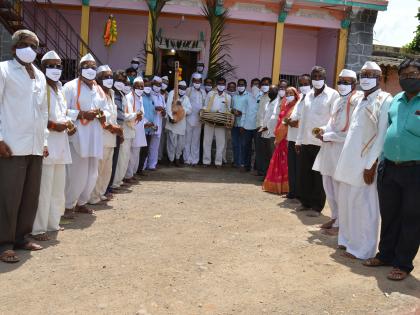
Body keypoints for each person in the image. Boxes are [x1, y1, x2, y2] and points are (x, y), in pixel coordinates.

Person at [363, 58, 420, 280]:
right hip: (390, 168)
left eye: (414, 74)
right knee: (389, 214)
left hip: (416, 171)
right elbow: (386, 130)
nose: (409, 79)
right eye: (404, 75)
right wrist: (379, 161)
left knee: (412, 217)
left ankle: (403, 264)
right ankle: (385, 255)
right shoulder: (396, 100)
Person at [334, 61, 392, 260]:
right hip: (349, 160)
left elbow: (382, 134)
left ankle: (363, 249)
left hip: (365, 163)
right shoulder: (360, 99)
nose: (366, 79)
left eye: (371, 75)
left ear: (380, 79)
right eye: (363, 75)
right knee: (346, 202)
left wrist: (371, 164)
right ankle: (347, 241)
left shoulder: (385, 100)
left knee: (364, 207)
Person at [0, 30, 47, 262]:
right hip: (11, 145)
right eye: (26, 44)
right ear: (14, 47)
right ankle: (4, 243)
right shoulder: (3, 70)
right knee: (9, 195)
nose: (30, 49)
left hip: (35, 145)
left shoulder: (39, 75)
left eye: (34, 46)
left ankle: (22, 237)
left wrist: (44, 140)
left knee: (30, 195)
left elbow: (43, 111)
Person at [31, 51, 75, 241]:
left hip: (62, 143)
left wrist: (68, 123)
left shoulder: (59, 88)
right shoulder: (39, 86)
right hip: (47, 143)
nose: (56, 69)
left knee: (58, 187)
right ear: (43, 67)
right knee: (44, 189)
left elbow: (62, 113)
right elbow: (37, 114)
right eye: (51, 65)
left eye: (58, 66)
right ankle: (38, 228)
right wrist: (52, 125)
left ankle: (52, 223)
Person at [312, 69, 359, 236]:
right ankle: (335, 216)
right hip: (329, 150)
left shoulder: (356, 102)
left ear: (354, 84)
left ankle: (341, 224)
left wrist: (329, 136)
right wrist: (323, 130)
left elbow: (351, 132)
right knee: (328, 185)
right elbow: (332, 123)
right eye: (340, 81)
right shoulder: (339, 100)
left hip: (341, 151)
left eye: (346, 82)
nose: (342, 85)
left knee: (340, 189)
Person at [63, 53, 106, 217]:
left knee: (92, 173)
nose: (90, 70)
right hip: (78, 136)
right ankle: (68, 206)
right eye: (87, 66)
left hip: (95, 135)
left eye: (93, 67)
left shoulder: (98, 89)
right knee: (77, 172)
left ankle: (82, 203)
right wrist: (81, 114)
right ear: (80, 69)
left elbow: (105, 109)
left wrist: (102, 115)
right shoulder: (70, 87)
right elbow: (62, 110)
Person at [295, 66, 339, 217]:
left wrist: (324, 132)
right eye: (315, 77)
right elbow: (303, 120)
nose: (317, 80)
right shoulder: (308, 95)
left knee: (319, 176)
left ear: (325, 78)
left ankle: (316, 206)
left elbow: (334, 119)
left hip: (322, 142)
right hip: (306, 140)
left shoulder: (333, 95)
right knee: (304, 174)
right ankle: (305, 202)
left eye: (320, 77)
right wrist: (298, 141)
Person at [89, 65, 122, 204]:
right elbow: (99, 114)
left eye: (110, 76)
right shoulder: (96, 92)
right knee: (98, 168)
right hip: (102, 135)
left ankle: (101, 193)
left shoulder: (112, 93)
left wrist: (117, 130)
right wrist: (112, 127)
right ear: (98, 78)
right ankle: (92, 196)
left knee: (107, 169)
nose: (109, 79)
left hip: (111, 136)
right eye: (105, 77)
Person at [263, 87, 299, 194]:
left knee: (287, 163)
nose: (288, 95)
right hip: (281, 137)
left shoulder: (297, 106)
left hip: (290, 138)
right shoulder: (284, 105)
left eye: (291, 93)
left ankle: (288, 187)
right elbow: (279, 120)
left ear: (296, 94)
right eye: (287, 93)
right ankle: (277, 186)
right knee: (279, 161)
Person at [112, 71, 141, 187]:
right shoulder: (114, 94)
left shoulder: (122, 95)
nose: (123, 84)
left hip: (128, 130)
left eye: (124, 82)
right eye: (119, 81)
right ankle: (114, 183)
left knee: (124, 158)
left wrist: (134, 116)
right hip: (121, 130)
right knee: (120, 158)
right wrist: (134, 115)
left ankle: (118, 181)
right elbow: (121, 115)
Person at [284, 74, 311, 200]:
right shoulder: (300, 98)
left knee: (300, 168)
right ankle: (293, 191)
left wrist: (295, 122)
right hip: (292, 137)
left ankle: (300, 193)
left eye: (306, 84)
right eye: (301, 84)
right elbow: (295, 115)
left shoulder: (311, 98)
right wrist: (289, 121)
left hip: (302, 139)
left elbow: (308, 119)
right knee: (292, 166)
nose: (303, 86)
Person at [203, 77, 232, 167]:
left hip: (221, 123)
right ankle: (206, 162)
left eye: (223, 84)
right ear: (216, 84)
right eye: (219, 84)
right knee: (207, 141)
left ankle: (218, 162)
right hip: (209, 121)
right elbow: (205, 105)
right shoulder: (211, 94)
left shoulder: (228, 97)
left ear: (225, 85)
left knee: (221, 142)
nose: (221, 85)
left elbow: (228, 109)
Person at [166, 80, 192, 166]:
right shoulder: (172, 93)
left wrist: (181, 109)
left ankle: (177, 158)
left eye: (184, 88)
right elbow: (168, 106)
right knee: (171, 142)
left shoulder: (186, 98)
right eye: (180, 88)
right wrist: (171, 117)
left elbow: (190, 110)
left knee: (180, 143)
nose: (182, 90)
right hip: (172, 122)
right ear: (177, 87)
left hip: (181, 123)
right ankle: (170, 159)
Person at [257, 84, 281, 177]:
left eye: (273, 91)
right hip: (264, 132)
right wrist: (262, 126)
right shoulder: (268, 102)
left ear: (277, 91)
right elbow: (264, 116)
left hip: (271, 134)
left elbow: (274, 118)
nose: (271, 92)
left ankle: (272, 176)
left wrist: (266, 127)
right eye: (270, 91)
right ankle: (266, 175)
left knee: (272, 156)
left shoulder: (277, 102)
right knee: (266, 156)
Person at [126, 77, 147, 179]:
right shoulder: (129, 97)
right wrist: (136, 116)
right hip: (131, 127)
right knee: (130, 154)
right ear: (133, 87)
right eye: (137, 86)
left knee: (136, 153)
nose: (140, 88)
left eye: (141, 87)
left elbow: (142, 113)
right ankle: (128, 175)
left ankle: (132, 173)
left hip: (139, 129)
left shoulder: (141, 98)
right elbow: (129, 113)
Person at [184, 73, 206, 166]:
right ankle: (186, 159)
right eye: (195, 81)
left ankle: (195, 160)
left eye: (199, 81)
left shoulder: (203, 92)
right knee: (187, 140)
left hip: (199, 119)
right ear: (192, 81)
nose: (197, 83)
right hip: (188, 118)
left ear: (201, 82)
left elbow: (205, 104)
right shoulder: (188, 90)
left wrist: (203, 110)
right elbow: (184, 102)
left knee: (196, 140)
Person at [137, 77, 157, 174]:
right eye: (146, 86)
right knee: (139, 151)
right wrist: (146, 123)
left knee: (145, 150)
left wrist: (153, 124)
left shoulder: (151, 98)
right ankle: (136, 170)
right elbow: (140, 112)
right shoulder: (140, 97)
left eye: (149, 85)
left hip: (149, 129)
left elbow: (152, 113)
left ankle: (140, 169)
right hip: (142, 128)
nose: (148, 87)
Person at [231, 79, 253, 168]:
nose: (240, 86)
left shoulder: (249, 96)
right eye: (239, 85)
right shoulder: (234, 97)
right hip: (235, 124)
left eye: (242, 85)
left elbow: (250, 110)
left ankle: (242, 162)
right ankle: (236, 162)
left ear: (246, 85)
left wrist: (241, 113)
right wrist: (233, 111)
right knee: (235, 144)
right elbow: (231, 108)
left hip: (244, 125)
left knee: (243, 144)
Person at [240, 81, 259, 172]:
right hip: (247, 126)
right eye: (253, 84)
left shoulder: (263, 97)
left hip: (258, 127)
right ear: (251, 86)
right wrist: (242, 124)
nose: (255, 86)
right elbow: (244, 111)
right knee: (245, 146)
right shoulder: (247, 97)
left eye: (257, 84)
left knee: (258, 148)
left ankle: (256, 167)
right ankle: (246, 165)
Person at [148, 75, 166, 170]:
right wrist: (155, 108)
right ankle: (143, 165)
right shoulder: (148, 93)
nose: (157, 86)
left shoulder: (161, 97)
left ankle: (152, 165)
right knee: (146, 145)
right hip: (149, 123)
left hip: (158, 123)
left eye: (159, 85)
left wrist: (163, 112)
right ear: (152, 84)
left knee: (155, 146)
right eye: (156, 84)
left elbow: (165, 110)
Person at [255, 77, 272, 176]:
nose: (264, 86)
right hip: (259, 127)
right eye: (263, 84)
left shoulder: (272, 97)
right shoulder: (261, 97)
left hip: (267, 128)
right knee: (260, 151)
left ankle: (267, 173)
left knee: (267, 152)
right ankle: (261, 171)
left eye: (267, 84)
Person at [158, 75, 169, 163]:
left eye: (166, 83)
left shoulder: (168, 94)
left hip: (164, 119)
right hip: (155, 118)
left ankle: (159, 156)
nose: (164, 84)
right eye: (163, 82)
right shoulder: (156, 93)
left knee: (162, 138)